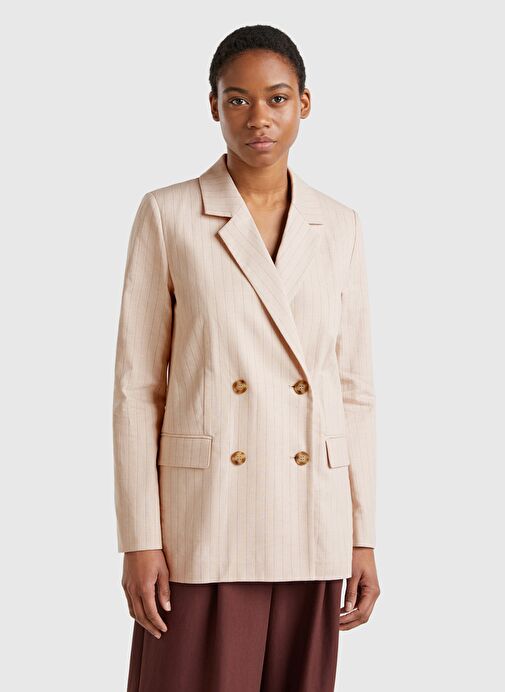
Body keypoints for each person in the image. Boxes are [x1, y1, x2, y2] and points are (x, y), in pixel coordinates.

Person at [113, 23, 380, 692]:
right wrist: (139, 537)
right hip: (205, 517)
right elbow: (137, 388)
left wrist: (362, 534)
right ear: (213, 106)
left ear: (304, 104)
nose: (258, 117)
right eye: (237, 99)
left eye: (277, 98)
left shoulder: (338, 224)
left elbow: (353, 389)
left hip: (310, 513)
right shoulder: (169, 213)